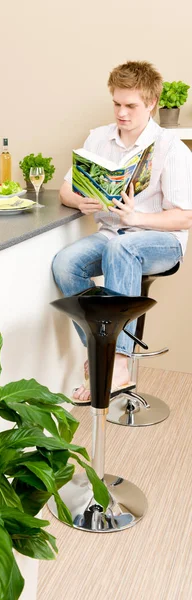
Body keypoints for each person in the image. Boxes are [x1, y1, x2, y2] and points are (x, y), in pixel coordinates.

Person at [52, 60, 192, 405]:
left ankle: (118, 361)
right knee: (65, 263)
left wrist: (137, 218)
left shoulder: (170, 147)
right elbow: (65, 190)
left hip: (160, 241)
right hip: (113, 235)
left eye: (131, 106)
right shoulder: (98, 138)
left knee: (122, 249)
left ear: (151, 105)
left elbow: (185, 217)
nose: (122, 113)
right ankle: (100, 349)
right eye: (117, 103)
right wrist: (80, 201)